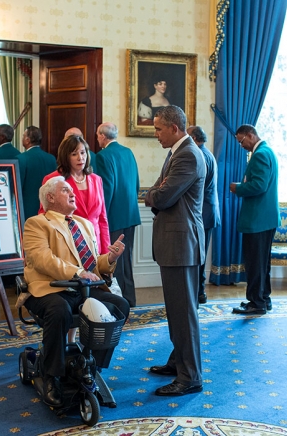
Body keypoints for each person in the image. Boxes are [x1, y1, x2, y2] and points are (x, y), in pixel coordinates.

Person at [23, 176, 130, 407]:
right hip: (49, 290)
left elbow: (91, 266)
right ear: (50, 197)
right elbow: (43, 260)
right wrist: (77, 273)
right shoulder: (36, 223)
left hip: (82, 290)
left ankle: (89, 365)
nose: (72, 193)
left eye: (72, 190)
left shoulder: (84, 224)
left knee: (120, 306)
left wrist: (109, 259)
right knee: (59, 310)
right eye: (65, 190)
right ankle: (52, 376)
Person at [144, 105, 205, 396]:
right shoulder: (177, 152)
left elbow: (162, 195)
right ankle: (177, 362)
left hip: (182, 245)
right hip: (175, 244)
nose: (155, 134)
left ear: (174, 128)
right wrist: (155, 194)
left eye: (158, 129)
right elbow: (156, 190)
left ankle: (190, 377)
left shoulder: (189, 155)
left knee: (184, 314)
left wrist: (154, 195)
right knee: (177, 311)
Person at [230, 125, 280, 315]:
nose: (241, 145)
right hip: (265, 218)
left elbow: (259, 185)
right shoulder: (266, 151)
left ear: (251, 135)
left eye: (242, 141)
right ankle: (263, 298)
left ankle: (256, 303)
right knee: (262, 263)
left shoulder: (260, 154)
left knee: (255, 263)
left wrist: (238, 188)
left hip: (258, 218)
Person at [95, 122, 142, 307]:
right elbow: (136, 184)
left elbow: (106, 190)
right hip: (131, 214)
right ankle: (130, 298)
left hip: (113, 216)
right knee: (127, 260)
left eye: (98, 135)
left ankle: (120, 301)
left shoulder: (103, 156)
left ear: (102, 136)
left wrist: (100, 217)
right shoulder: (128, 152)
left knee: (114, 261)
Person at [39, 135, 111, 254]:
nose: (80, 158)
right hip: (67, 246)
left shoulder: (96, 179)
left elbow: (102, 219)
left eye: (83, 153)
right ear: (65, 157)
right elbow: (44, 215)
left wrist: (106, 253)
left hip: (95, 244)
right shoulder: (52, 179)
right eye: (74, 154)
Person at [187, 125, 220, 305]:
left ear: (194, 138)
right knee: (199, 255)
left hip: (203, 214)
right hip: (206, 213)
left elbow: (197, 188)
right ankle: (199, 293)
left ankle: (199, 293)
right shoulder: (206, 153)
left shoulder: (201, 155)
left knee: (198, 257)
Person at [15, 126, 56, 221]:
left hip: (26, 208)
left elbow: (17, 186)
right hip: (48, 207)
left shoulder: (20, 159)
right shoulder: (51, 158)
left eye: (23, 136)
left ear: (27, 140)